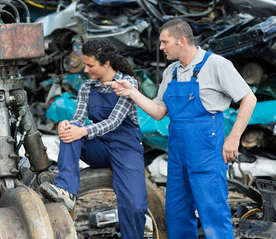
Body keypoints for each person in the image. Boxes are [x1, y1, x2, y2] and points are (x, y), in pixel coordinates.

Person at [106, 19, 257, 239]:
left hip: (207, 150)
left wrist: (234, 138)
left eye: (165, 42)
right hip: (177, 154)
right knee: (176, 215)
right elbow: (159, 111)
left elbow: (249, 98)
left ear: (182, 41)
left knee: (213, 212)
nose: (161, 47)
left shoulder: (216, 64)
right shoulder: (171, 72)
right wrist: (132, 92)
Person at [39, 38, 148, 239]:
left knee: (135, 205)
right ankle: (66, 190)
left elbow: (115, 121)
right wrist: (68, 125)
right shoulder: (87, 87)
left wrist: (84, 131)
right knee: (71, 129)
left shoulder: (127, 83)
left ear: (106, 63)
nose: (86, 70)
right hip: (98, 147)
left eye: (90, 65)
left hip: (126, 148)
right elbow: (79, 118)